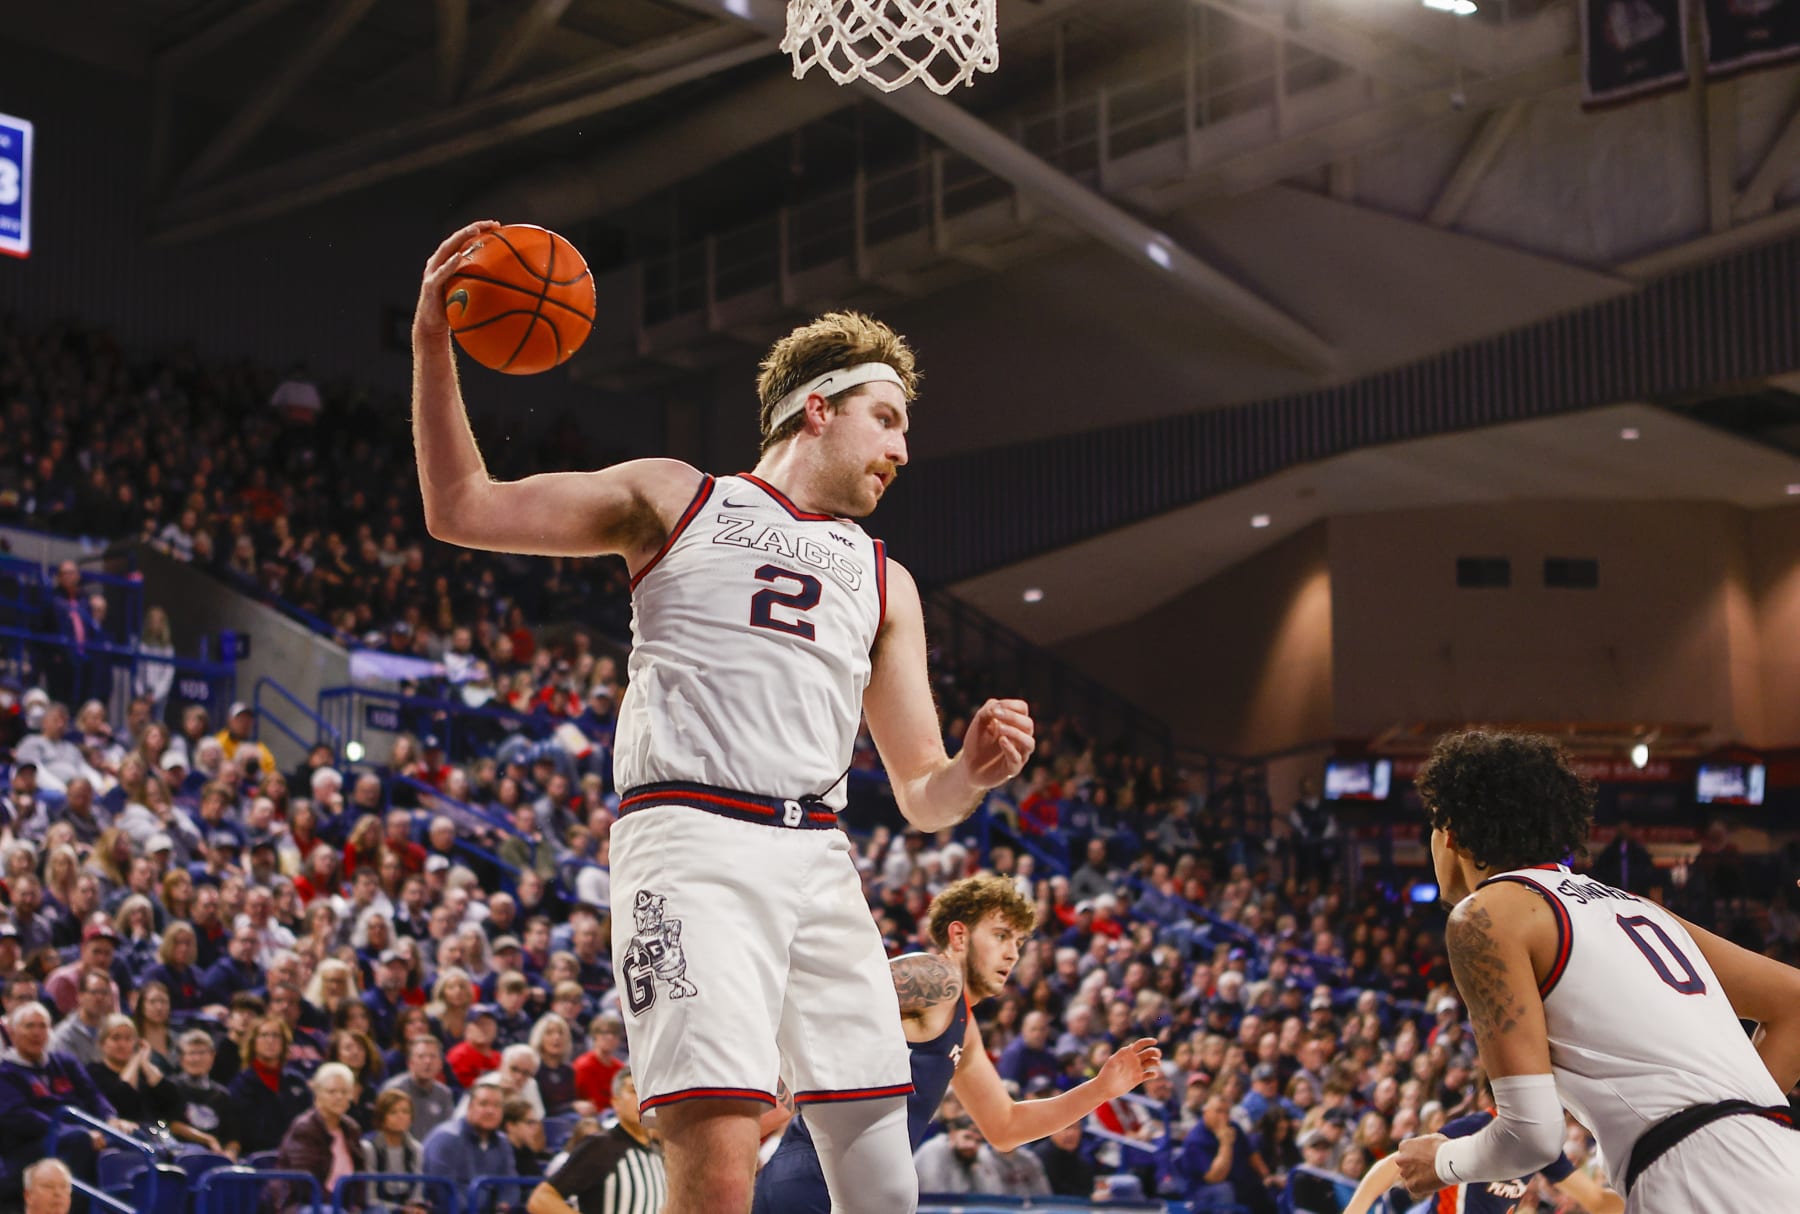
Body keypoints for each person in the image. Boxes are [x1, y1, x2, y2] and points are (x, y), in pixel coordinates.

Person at [414, 225, 1035, 1214]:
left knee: (883, 1178)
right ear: (817, 410)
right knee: (717, 1167)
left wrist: (972, 767)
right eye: (887, 418)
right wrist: (432, 348)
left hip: (819, 857)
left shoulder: (887, 580)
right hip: (691, 842)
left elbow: (923, 797)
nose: (904, 448)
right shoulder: (676, 496)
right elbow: (461, 504)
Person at [1390, 730, 1800, 1211]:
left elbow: (1533, 1136)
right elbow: (1793, 1001)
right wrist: (1736, 1122)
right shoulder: (1636, 908)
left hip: (1696, 1177)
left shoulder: (1484, 915)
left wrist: (1441, 1161)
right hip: (1782, 1157)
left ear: (1452, 833)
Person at [753, 875, 1160, 1214]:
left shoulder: (963, 1026)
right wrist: (760, 1114)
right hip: (813, 1182)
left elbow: (1005, 1127)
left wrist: (1102, 1089)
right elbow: (819, 1007)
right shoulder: (937, 979)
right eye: (1001, 935)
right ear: (959, 935)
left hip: (847, 1186)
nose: (1012, 953)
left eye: (1018, 942)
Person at [528, 1068, 667, 1214]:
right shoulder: (600, 1147)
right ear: (616, 1103)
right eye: (633, 1091)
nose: (642, 1099)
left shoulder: (658, 1152)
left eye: (647, 1092)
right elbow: (541, 1199)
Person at [273, 1062, 364, 1214]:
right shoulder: (305, 1128)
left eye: (344, 1091)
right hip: (302, 1205)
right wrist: (338, 1207)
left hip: (342, 1206)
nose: (339, 1097)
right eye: (332, 1091)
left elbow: (360, 1179)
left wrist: (356, 1207)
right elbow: (304, 1185)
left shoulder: (352, 1129)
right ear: (317, 1093)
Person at [421, 1074, 517, 1204]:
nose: (490, 1111)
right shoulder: (446, 1138)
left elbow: (510, 1186)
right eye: (483, 1104)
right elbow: (442, 1192)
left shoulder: (503, 1142)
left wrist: (504, 1206)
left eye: (497, 1106)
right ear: (470, 1107)